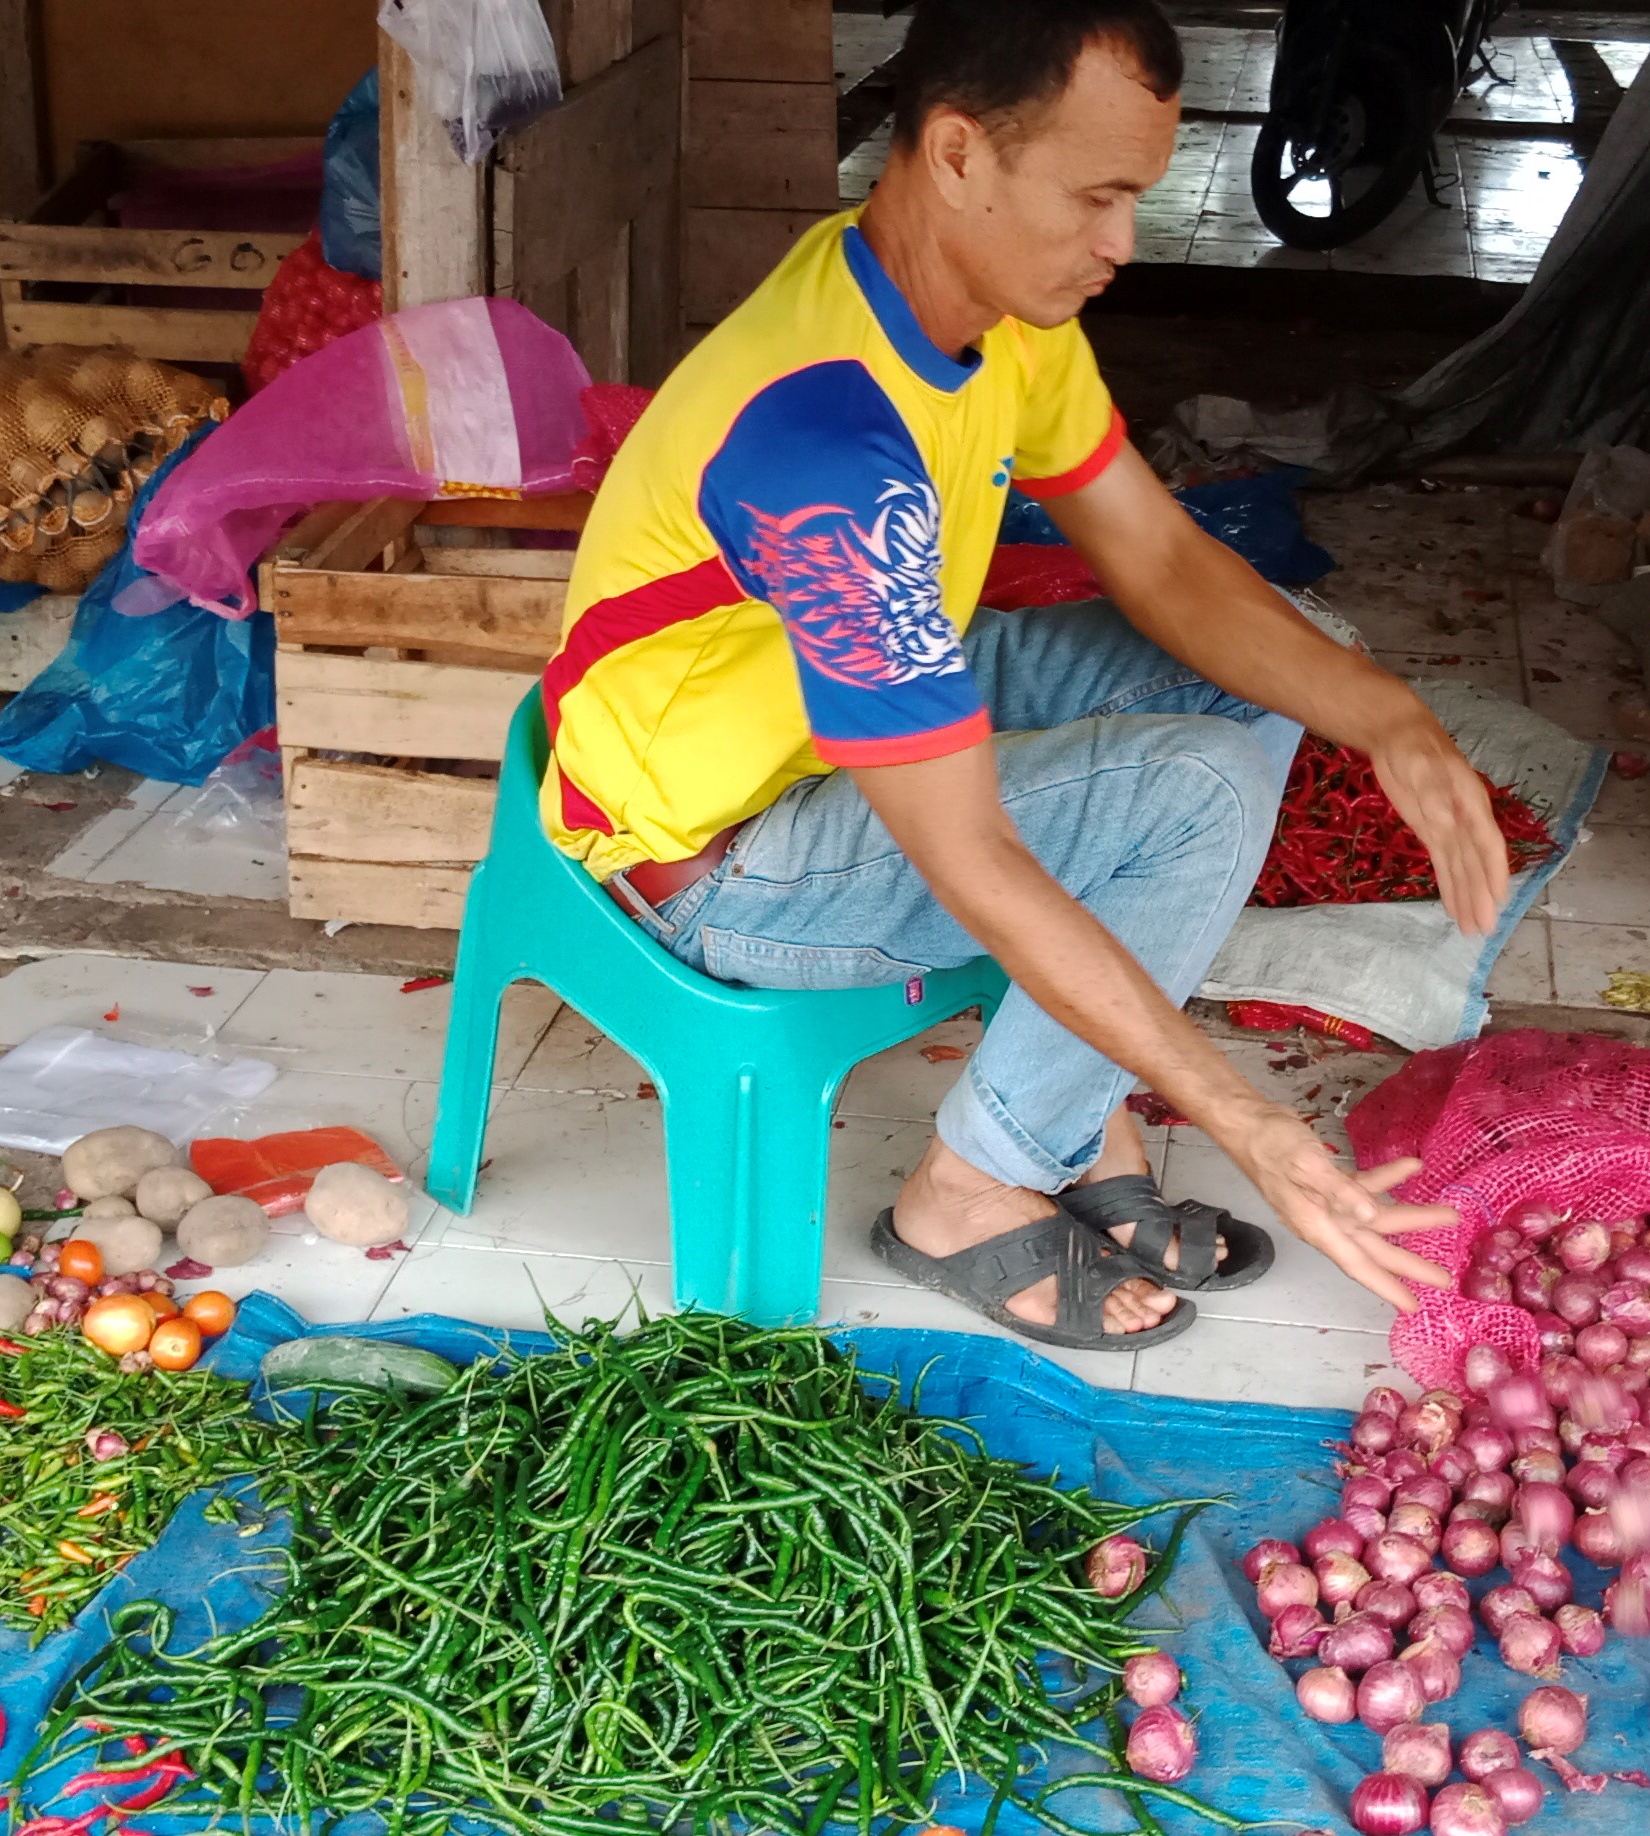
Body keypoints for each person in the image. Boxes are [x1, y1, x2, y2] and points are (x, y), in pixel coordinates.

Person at [540, 0, 1510, 1349]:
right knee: (1198, 790)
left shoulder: (992, 312)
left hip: (837, 716)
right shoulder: (827, 445)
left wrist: (1391, 719)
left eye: (1137, 198)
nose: (1125, 243)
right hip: (722, 857)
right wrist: (1248, 1120)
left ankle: (1069, 1110)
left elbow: (1160, 561)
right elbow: (975, 858)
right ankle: (969, 1187)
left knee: (1280, 667)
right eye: (1097, 197)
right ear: (956, 153)